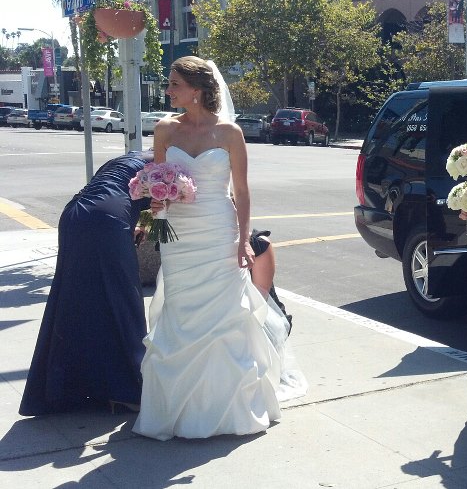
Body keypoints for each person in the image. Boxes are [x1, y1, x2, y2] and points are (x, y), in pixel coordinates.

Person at [133, 56, 305, 441]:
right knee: (179, 311)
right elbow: (157, 187)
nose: (168, 90)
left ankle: (227, 410)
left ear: (196, 89)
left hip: (217, 230)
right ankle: (177, 410)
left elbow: (241, 192)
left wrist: (244, 240)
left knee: (224, 317)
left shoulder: (229, 133)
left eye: (175, 84)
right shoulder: (164, 130)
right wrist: (146, 225)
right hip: (180, 235)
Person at [19, 151, 153, 416]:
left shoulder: (127, 159)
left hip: (74, 215)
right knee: (123, 300)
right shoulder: (166, 162)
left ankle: (65, 387)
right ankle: (125, 389)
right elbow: (157, 203)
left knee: (73, 300)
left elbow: (128, 195)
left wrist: (137, 223)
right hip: (108, 219)